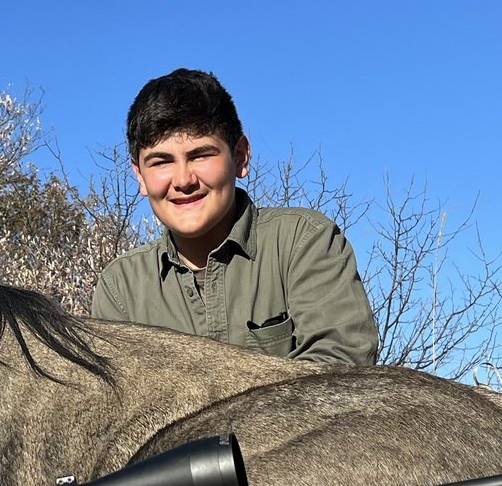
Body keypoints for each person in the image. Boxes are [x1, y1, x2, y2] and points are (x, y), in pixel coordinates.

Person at [90, 69, 378, 365]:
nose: (183, 180)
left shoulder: (305, 241)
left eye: (200, 155)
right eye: (161, 162)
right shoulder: (120, 287)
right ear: (139, 174)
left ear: (240, 156)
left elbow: (341, 370)